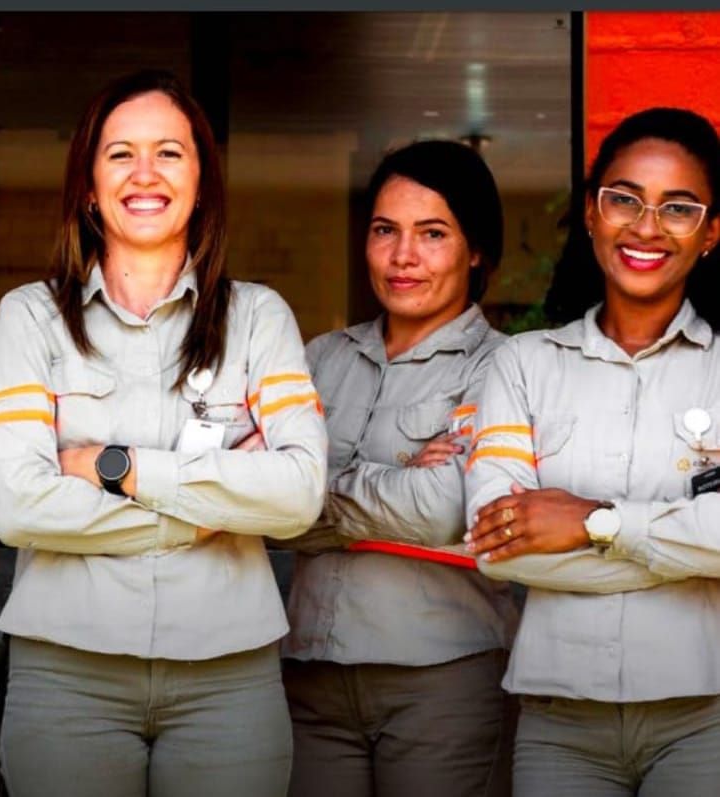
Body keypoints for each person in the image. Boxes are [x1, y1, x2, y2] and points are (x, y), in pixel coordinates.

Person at [0, 69, 327, 797]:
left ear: (201, 180)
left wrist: (116, 467)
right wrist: (206, 511)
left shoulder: (259, 319)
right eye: (119, 154)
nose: (145, 174)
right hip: (66, 671)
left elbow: (296, 496)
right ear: (86, 184)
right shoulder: (30, 317)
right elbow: (15, 506)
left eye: (169, 152)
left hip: (226, 676)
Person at [465, 107, 720, 796]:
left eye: (678, 207)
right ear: (589, 212)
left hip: (706, 721)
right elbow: (496, 544)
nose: (645, 226)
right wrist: (685, 556)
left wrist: (594, 521)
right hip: (558, 724)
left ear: (711, 233)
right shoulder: (520, 366)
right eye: (624, 199)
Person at [279, 139, 516, 797]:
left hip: (442, 675)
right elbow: (262, 505)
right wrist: (399, 477)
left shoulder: (503, 368)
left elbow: (447, 505)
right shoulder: (319, 358)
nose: (401, 256)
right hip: (308, 673)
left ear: (475, 250)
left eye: (431, 233)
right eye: (385, 230)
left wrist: (312, 491)